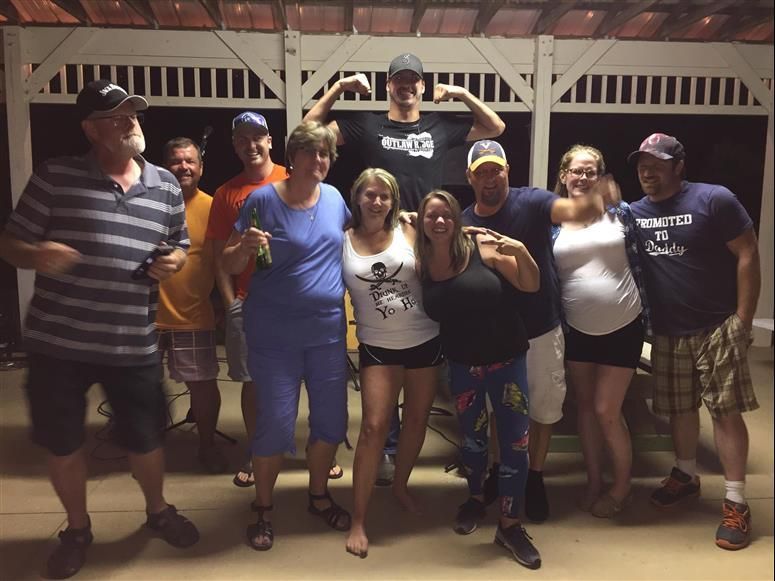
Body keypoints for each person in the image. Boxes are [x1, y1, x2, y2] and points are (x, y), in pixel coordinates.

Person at [0, 80, 199, 579]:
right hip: (58, 344)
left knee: (147, 437)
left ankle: (157, 511)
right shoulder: (55, 178)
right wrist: (36, 255)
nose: (131, 122)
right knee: (63, 442)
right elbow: (11, 243)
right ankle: (77, 528)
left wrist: (172, 260)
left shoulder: (165, 185)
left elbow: (180, 243)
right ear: (91, 129)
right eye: (117, 116)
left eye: (133, 114)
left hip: (131, 339)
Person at [305, 51, 505, 484]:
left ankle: (464, 437)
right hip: (383, 238)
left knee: (436, 331)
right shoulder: (368, 124)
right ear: (389, 84)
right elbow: (310, 132)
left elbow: (495, 127)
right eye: (399, 79)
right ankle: (386, 446)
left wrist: (461, 93)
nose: (407, 86)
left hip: (429, 238)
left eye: (414, 79)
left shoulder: (439, 124)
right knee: (388, 327)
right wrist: (338, 89)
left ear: (421, 84)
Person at [461, 140, 616, 523]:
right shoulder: (464, 220)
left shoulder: (531, 202)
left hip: (540, 328)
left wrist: (590, 204)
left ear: (507, 170)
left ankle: (534, 475)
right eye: (482, 171)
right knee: (500, 410)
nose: (490, 178)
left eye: (496, 169)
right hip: (494, 335)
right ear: (470, 177)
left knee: (544, 410)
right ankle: (501, 469)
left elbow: (567, 209)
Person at [222, 121, 352, 551]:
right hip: (274, 332)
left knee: (331, 422)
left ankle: (318, 495)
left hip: (327, 333)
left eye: (326, 155)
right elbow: (227, 259)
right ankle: (263, 507)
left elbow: (353, 241)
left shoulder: (334, 198)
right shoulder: (262, 200)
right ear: (292, 157)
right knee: (276, 426)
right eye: (312, 153)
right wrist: (242, 249)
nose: (320, 161)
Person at [628, 133, 760, 550]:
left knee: (724, 412)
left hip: (717, 324)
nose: (648, 170)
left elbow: (748, 253)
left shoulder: (713, 199)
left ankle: (737, 501)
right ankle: (685, 475)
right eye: (642, 164)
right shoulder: (634, 213)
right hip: (668, 329)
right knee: (679, 410)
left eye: (657, 163)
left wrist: (743, 318)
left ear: (678, 166)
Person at [416, 190, 542, 569]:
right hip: (462, 364)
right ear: (422, 222)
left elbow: (531, 284)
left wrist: (520, 251)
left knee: (515, 443)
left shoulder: (481, 245)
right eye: (430, 216)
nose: (439, 221)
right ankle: (475, 499)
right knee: (471, 441)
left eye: (445, 215)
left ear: (457, 218)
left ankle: (510, 524)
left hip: (506, 360)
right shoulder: (421, 260)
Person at [342, 168, 443, 558]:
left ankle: (400, 486)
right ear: (358, 197)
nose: (377, 201)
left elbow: (444, 257)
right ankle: (359, 519)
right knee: (373, 427)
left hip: (424, 340)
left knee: (417, 420)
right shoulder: (344, 241)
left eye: (384, 195)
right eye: (370, 194)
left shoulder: (409, 230)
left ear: (393, 199)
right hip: (378, 346)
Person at [551, 144, 649, 517]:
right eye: (576, 170)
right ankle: (594, 480)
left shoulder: (620, 214)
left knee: (607, 409)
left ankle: (621, 486)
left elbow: (648, 261)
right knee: (586, 412)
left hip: (623, 325)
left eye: (591, 171)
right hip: (576, 329)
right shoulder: (553, 220)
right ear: (563, 175)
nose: (583, 177)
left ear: (601, 177)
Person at [205, 111, 287, 487]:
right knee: (253, 384)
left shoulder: (293, 178)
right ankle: (257, 451)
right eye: (242, 139)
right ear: (235, 146)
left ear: (270, 140)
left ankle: (287, 445)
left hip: (293, 303)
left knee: (293, 381)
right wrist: (230, 303)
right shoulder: (226, 194)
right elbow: (219, 255)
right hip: (249, 302)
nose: (251, 145)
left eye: (258, 137)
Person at [157, 137, 226, 474]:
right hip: (143, 317)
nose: (183, 167)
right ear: (163, 165)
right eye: (175, 161)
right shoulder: (148, 202)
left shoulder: (213, 207)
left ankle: (207, 444)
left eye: (190, 161)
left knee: (202, 385)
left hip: (194, 314)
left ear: (201, 167)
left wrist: (228, 304)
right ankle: (144, 446)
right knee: (138, 384)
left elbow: (220, 263)